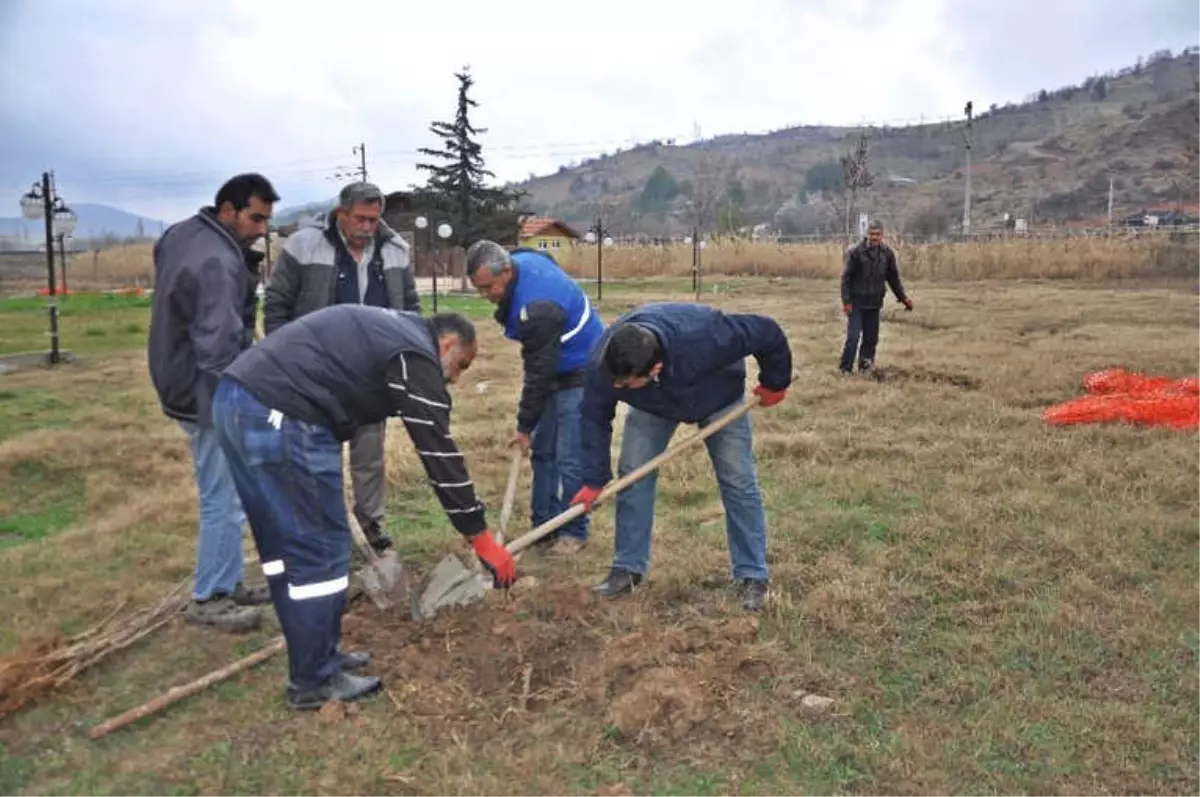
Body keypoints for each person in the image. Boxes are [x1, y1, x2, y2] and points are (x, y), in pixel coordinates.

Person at [211, 304, 518, 710]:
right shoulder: (415, 355)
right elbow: (437, 449)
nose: (456, 379)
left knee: (285, 551)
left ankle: (318, 655)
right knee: (320, 552)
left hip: (240, 402)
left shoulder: (397, 333)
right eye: (461, 365)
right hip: (282, 414)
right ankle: (315, 682)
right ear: (446, 344)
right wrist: (481, 539)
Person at [568, 302, 793, 612]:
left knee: (738, 481)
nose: (617, 388)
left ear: (654, 369)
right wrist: (594, 478)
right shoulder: (603, 366)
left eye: (625, 384)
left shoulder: (706, 336)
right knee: (633, 475)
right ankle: (627, 569)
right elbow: (594, 416)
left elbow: (767, 332)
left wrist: (775, 382)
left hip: (718, 397)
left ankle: (752, 575)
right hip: (654, 405)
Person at [147, 172, 280, 632]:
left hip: (176, 375)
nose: (262, 228)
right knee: (221, 496)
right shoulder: (219, 263)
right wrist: (245, 396)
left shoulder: (182, 233)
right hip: (204, 390)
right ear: (228, 210)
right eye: (255, 217)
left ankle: (228, 579)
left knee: (230, 491)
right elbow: (218, 347)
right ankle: (210, 597)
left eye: (266, 219)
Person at [263, 182, 421, 554]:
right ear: (341, 213)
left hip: (371, 374)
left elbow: (411, 309)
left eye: (374, 219)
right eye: (361, 219)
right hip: (318, 371)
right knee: (320, 452)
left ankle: (370, 521)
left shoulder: (395, 251)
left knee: (370, 455)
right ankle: (326, 525)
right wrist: (283, 359)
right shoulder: (304, 245)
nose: (368, 226)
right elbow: (277, 304)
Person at [464, 241, 606, 556]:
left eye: (489, 287)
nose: (485, 295)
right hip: (555, 362)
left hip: (582, 367)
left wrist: (524, 425)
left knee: (569, 456)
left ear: (507, 271)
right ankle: (543, 528)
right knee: (543, 452)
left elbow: (538, 374)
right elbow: (544, 256)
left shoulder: (539, 309)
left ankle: (574, 531)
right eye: (479, 288)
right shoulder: (520, 258)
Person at [839, 220, 912, 374]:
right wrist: (846, 302)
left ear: (882, 236)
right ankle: (844, 370)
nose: (874, 237)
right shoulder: (855, 252)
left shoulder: (887, 254)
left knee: (871, 339)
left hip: (875, 303)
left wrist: (903, 298)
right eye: (872, 234)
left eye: (878, 235)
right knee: (853, 337)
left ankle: (866, 368)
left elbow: (893, 279)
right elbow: (845, 279)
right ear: (867, 235)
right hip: (856, 303)